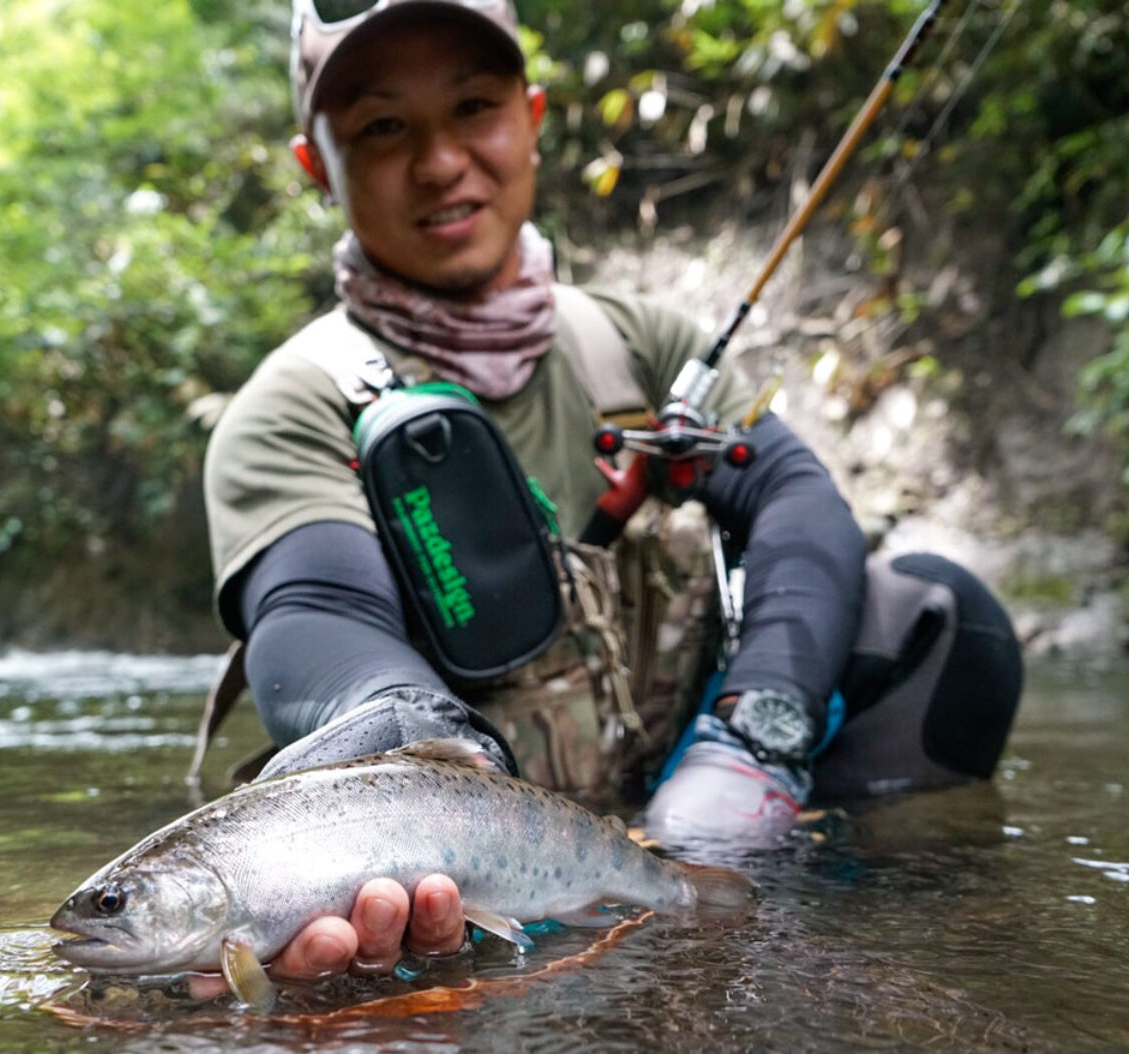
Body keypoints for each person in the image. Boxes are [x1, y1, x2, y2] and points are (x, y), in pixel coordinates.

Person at [198, 0, 1023, 989]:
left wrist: (755, 736)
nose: (440, 160)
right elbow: (313, 610)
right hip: (463, 848)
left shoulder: (636, 347)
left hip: (676, 798)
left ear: (533, 117)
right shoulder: (292, 408)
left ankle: (841, 899)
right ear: (314, 168)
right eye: (383, 127)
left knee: (937, 617)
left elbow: (797, 499)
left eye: (473, 107)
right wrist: (418, 740)